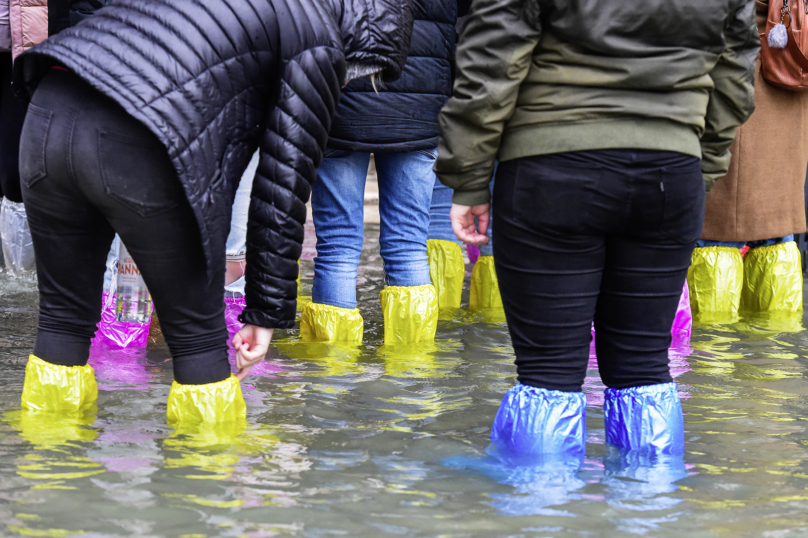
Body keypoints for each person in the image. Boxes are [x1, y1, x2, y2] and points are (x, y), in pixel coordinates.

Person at [13, 0, 412, 424]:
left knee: (62, 322)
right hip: (137, 140)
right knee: (198, 340)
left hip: (46, 116)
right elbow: (282, 191)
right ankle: (203, 481)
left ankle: (51, 467)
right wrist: (263, 314)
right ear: (362, 42)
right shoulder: (319, 40)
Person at [435, 0, 758, 457]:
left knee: (547, 372)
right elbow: (737, 64)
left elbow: (493, 55)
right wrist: (697, 162)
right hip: (671, 170)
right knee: (646, 369)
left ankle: (539, 514)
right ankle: (651, 512)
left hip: (551, 162)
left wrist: (468, 175)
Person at [300, 0, 469, 345]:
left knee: (336, 247)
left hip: (339, 103)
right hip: (420, 108)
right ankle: (412, 365)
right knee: (409, 244)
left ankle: (332, 369)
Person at [688, 0, 807, 319]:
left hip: (734, 70)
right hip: (786, 67)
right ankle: (772, 359)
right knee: (776, 230)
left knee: (715, 229)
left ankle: (711, 355)